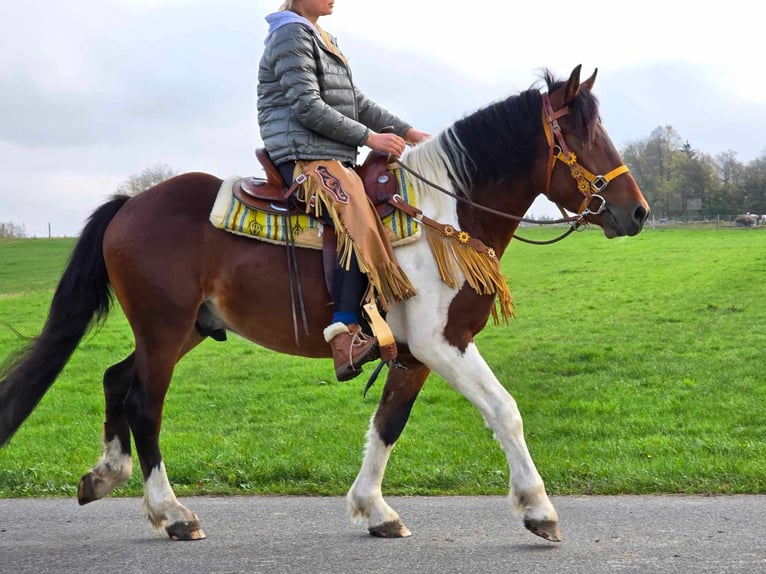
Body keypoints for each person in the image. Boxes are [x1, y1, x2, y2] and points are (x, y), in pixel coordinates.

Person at [257, 0, 429, 382]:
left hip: (330, 153)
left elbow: (356, 102)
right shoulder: (289, 33)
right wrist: (371, 139)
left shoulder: (322, 38)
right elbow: (308, 107)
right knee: (356, 217)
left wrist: (407, 131)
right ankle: (344, 333)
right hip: (303, 153)